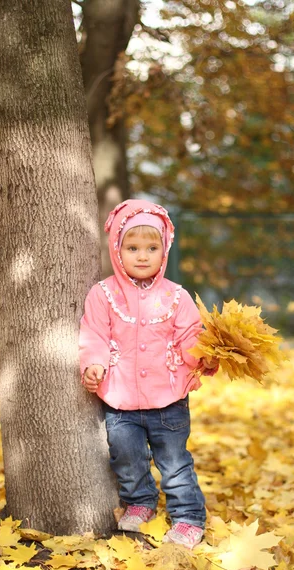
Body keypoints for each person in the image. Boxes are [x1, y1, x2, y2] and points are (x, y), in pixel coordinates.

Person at [79, 199, 218, 549]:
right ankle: (140, 501)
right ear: (117, 249)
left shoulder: (176, 296)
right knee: (126, 457)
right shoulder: (103, 294)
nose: (142, 256)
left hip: (168, 398)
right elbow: (94, 333)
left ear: (164, 249)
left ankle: (188, 517)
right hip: (120, 398)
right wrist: (93, 364)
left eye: (152, 248)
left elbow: (190, 336)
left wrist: (204, 358)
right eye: (133, 247)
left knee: (174, 463)